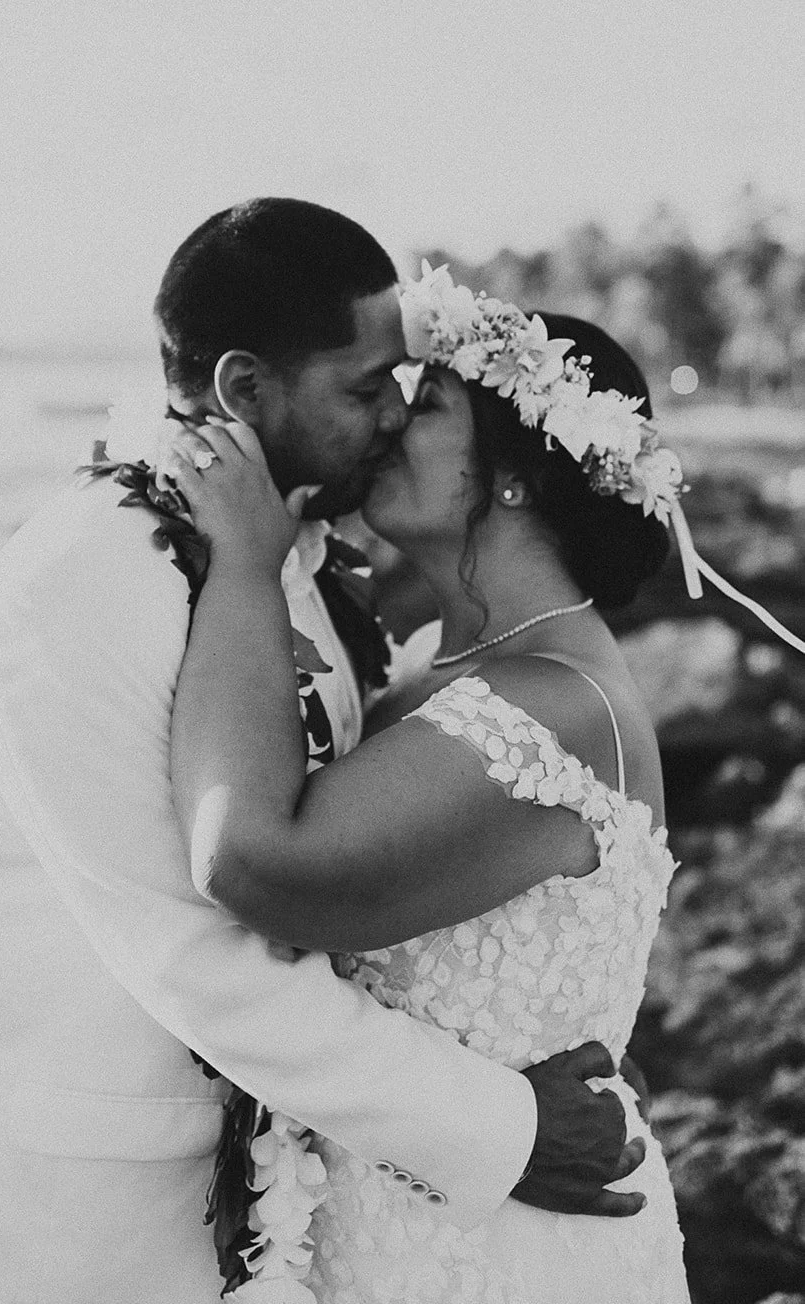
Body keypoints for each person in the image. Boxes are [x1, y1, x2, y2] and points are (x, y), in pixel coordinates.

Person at [0, 202, 640, 1303]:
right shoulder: (82, 584)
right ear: (245, 389)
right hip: (36, 1225)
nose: (390, 416)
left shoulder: (282, 555)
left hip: (229, 1220)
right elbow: (196, 950)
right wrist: (499, 1125)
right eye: (364, 388)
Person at [165, 265, 691, 1301]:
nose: (387, 423)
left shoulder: (551, 709)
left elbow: (253, 862)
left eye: (428, 403)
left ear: (514, 476)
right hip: (396, 1225)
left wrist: (241, 564)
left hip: (506, 1255)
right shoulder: (433, 669)